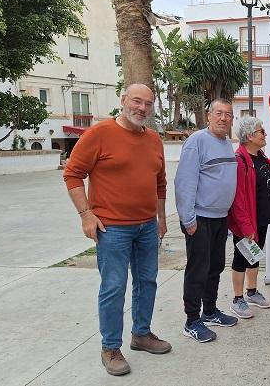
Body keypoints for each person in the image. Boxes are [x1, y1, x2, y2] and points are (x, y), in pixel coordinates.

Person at [63, 83, 171, 376]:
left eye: (148, 103)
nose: (142, 108)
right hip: (112, 229)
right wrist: (86, 214)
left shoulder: (153, 139)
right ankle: (110, 347)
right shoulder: (99, 134)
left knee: (147, 281)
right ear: (123, 100)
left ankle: (142, 334)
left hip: (147, 226)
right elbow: (72, 173)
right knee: (113, 287)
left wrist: (161, 218)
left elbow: (159, 182)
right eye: (137, 101)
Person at [175, 98, 239, 343]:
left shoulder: (225, 143)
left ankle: (210, 311)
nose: (224, 118)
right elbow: (184, 182)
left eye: (228, 114)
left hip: (220, 218)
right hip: (199, 218)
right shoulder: (197, 141)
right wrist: (188, 219)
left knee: (215, 267)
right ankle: (192, 320)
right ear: (209, 115)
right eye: (219, 113)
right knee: (197, 270)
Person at [227, 116, 270, 318]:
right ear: (249, 136)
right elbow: (237, 199)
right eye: (261, 131)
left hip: (262, 217)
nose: (265, 134)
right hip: (246, 222)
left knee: (254, 255)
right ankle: (237, 299)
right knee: (241, 258)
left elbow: (265, 172)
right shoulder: (239, 161)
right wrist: (246, 226)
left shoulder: (260, 155)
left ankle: (252, 292)